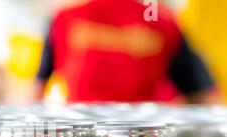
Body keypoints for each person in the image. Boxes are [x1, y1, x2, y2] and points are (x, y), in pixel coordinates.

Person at [36, 0, 216, 104]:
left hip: (86, 135)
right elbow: (202, 96)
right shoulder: (163, 22)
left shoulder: (65, 18)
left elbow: (36, 91)